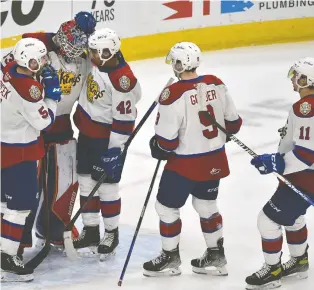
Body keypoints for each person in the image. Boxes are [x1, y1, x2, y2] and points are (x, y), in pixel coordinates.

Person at [142, 42, 242, 277]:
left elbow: (167, 143)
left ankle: (170, 258)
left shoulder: (173, 94)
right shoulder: (216, 83)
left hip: (185, 165)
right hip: (214, 161)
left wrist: (157, 146)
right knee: (206, 205)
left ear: (178, 64)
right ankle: (216, 255)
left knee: (166, 208)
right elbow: (234, 124)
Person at [18, 11, 96, 251]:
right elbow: (24, 44)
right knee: (27, 184)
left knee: (64, 181)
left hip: (62, 126)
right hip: (33, 125)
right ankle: (17, 239)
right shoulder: (42, 50)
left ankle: (52, 226)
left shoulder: (85, 62)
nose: (70, 45)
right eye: (66, 37)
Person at [72, 28, 142, 261]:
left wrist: (114, 152)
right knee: (85, 182)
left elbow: (124, 121)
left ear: (106, 52)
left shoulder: (121, 80)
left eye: (93, 51)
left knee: (107, 187)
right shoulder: (99, 64)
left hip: (107, 142)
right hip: (87, 136)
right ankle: (91, 230)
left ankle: (111, 233)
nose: (89, 54)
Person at [245, 57, 314, 289]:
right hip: (305, 176)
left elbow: (307, 154)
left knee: (267, 221)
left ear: (306, 79)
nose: (293, 81)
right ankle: (299, 261)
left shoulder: (306, 108)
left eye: (297, 76)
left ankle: (272, 271)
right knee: (293, 218)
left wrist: (277, 163)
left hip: (306, 177)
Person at [1, 38, 61, 282]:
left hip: (4, 146)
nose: (44, 62)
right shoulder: (29, 90)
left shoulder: (7, 71)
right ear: (27, 60)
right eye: (40, 59)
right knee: (20, 207)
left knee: (5, 205)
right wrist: (53, 98)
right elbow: (44, 122)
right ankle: (8, 258)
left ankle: (3, 251)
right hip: (19, 151)